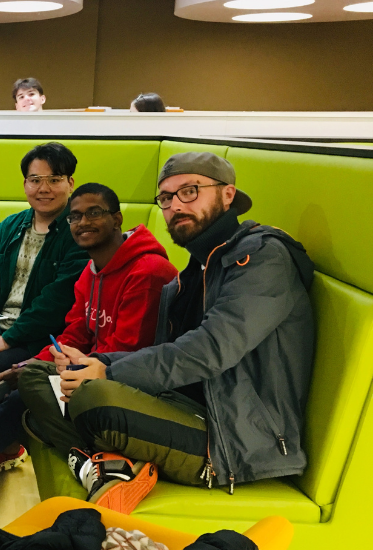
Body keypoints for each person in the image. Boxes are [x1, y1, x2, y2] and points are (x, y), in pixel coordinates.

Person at [0, 183, 176, 531]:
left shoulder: (146, 273)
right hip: (85, 371)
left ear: (117, 219)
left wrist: (53, 368)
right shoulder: (93, 270)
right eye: (75, 216)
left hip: (121, 390)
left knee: (19, 402)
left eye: (94, 213)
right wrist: (29, 363)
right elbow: (75, 332)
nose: (83, 222)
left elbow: (127, 356)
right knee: (0, 384)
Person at [45, 152, 314, 514]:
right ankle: (109, 464)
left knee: (94, 398)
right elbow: (168, 349)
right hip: (178, 407)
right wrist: (96, 361)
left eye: (189, 191)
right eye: (167, 198)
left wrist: (108, 371)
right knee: (40, 377)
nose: (175, 205)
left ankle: (107, 463)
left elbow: (210, 349)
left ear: (228, 195)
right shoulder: (195, 269)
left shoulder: (263, 258)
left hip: (231, 438)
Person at [0, 142, 89, 388]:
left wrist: (9, 339)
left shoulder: (78, 233)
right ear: (25, 184)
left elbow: (58, 300)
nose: (43, 189)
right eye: (35, 180)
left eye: (54, 180)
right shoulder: (10, 226)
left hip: (41, 341)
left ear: (70, 183)